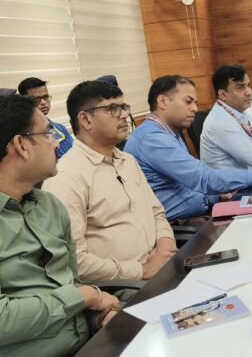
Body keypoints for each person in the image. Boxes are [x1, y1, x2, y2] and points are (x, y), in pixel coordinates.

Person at [0, 95, 120, 356]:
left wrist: (100, 318)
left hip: (87, 345)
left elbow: (69, 284)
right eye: (48, 134)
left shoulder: (50, 206)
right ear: (21, 145)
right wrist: (86, 297)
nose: (56, 143)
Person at [43, 81, 176, 282]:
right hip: (124, 285)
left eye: (124, 107)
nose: (124, 115)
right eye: (113, 109)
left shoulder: (127, 161)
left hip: (161, 266)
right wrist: (140, 270)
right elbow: (74, 260)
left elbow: (156, 213)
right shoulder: (66, 176)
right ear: (86, 119)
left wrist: (166, 246)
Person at [124, 75, 252, 221]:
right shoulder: (151, 138)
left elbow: (186, 181)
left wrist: (216, 195)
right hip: (182, 225)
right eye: (188, 101)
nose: (195, 108)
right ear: (163, 101)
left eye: (195, 102)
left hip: (206, 208)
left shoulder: (169, 132)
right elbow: (203, 178)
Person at [17, 77, 74, 158]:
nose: (43, 102)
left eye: (46, 97)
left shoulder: (60, 129)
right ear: (24, 102)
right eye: (36, 99)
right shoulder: (21, 137)